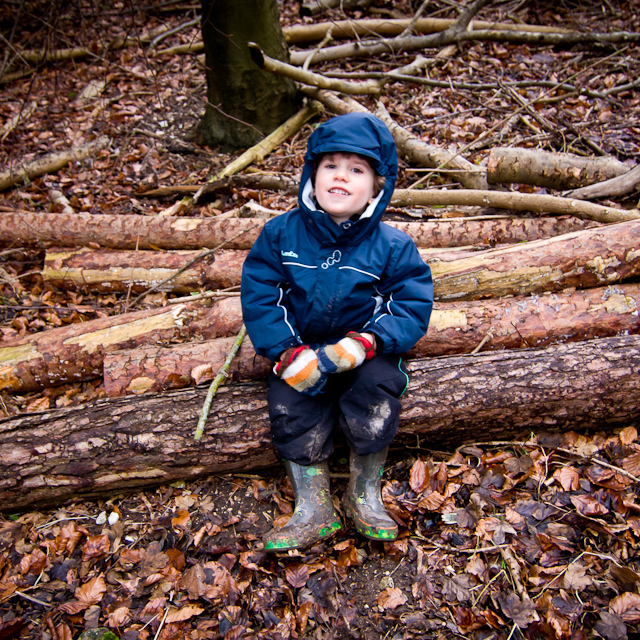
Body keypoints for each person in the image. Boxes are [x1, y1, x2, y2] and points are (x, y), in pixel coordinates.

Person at [241, 112, 433, 552]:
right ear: (312, 173)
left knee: (376, 390)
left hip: (362, 349)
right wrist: (286, 352)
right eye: (331, 166)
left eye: (357, 169)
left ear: (377, 186)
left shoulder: (392, 245)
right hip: (301, 349)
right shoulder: (280, 234)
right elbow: (261, 295)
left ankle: (364, 491)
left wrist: (367, 342)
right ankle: (313, 505)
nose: (341, 177)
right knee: (290, 403)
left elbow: (410, 303)